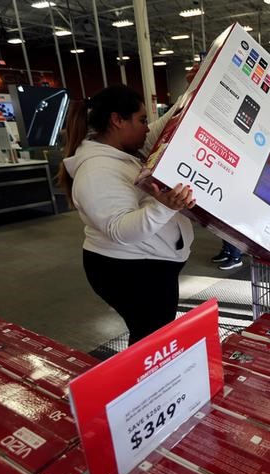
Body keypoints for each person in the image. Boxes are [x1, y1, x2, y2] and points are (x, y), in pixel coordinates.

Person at [58, 85, 196, 344]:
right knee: (151, 343)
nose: (147, 127)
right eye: (142, 120)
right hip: (130, 271)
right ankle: (150, 384)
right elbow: (121, 229)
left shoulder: (121, 152)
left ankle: (153, 381)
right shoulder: (97, 171)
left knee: (154, 337)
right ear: (117, 120)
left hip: (147, 266)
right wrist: (164, 206)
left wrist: (191, 91)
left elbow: (161, 128)